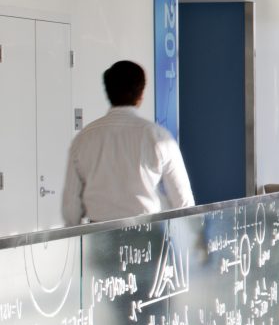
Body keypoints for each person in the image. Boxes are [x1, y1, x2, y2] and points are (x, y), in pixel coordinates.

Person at [61, 60, 194, 226]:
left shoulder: (83, 139)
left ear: (108, 93)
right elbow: (183, 201)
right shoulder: (159, 137)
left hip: (97, 239)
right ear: (141, 94)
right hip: (147, 237)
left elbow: (71, 206)